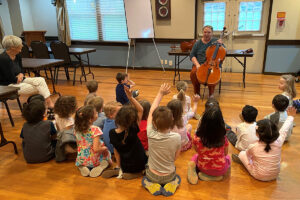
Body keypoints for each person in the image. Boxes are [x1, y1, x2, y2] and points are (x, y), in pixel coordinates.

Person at [232, 107, 296, 181]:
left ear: (257, 134)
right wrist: (290, 117)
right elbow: (284, 130)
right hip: (275, 174)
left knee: (242, 154)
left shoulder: (253, 146)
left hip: (258, 175)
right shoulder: (279, 141)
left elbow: (248, 155)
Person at [142, 83, 181, 197]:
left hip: (152, 175)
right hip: (169, 175)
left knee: (146, 165)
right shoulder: (176, 137)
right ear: (172, 120)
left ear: (154, 123)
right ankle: (172, 183)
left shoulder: (150, 133)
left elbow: (151, 112)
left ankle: (151, 184)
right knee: (176, 177)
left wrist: (160, 93)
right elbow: (175, 158)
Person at [0, 35, 54, 108]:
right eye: (20, 44)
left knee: (41, 80)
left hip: (19, 79)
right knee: (39, 87)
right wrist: (18, 77)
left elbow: (21, 70)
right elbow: (10, 78)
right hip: (8, 85)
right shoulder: (3, 59)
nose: (22, 46)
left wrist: (21, 74)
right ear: (13, 48)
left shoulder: (17, 55)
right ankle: (47, 105)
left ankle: (47, 104)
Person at [109, 86, 148, 180]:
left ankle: (120, 171)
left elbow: (116, 153)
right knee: (148, 156)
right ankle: (138, 173)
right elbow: (140, 110)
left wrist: (120, 167)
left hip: (125, 165)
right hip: (139, 164)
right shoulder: (133, 129)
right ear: (132, 120)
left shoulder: (112, 133)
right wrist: (131, 97)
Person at [187, 106, 230, 184]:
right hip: (221, 170)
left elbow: (197, 151)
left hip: (203, 168)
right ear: (221, 123)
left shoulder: (197, 138)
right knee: (228, 158)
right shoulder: (223, 139)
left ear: (203, 122)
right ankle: (215, 177)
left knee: (195, 156)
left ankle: (194, 169)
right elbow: (225, 153)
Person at [74, 105, 111, 177]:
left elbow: (78, 144)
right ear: (90, 119)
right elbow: (96, 149)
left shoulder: (76, 129)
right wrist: (105, 148)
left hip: (82, 158)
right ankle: (101, 166)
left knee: (83, 157)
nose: (97, 113)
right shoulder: (95, 129)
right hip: (94, 159)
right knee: (106, 153)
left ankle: (82, 166)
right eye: (96, 113)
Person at [20, 97, 57, 163]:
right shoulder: (48, 123)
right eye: (46, 109)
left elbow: (23, 140)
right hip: (47, 156)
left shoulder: (25, 125)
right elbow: (54, 137)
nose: (47, 110)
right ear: (43, 114)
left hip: (28, 158)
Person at [190, 25, 223, 98]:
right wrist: (197, 64)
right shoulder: (197, 43)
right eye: (205, 32)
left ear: (212, 33)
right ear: (203, 33)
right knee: (193, 73)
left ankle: (211, 94)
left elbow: (223, 52)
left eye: (209, 32)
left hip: (212, 64)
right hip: (200, 64)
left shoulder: (215, 42)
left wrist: (221, 45)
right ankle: (197, 93)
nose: (206, 34)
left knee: (213, 74)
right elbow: (192, 55)